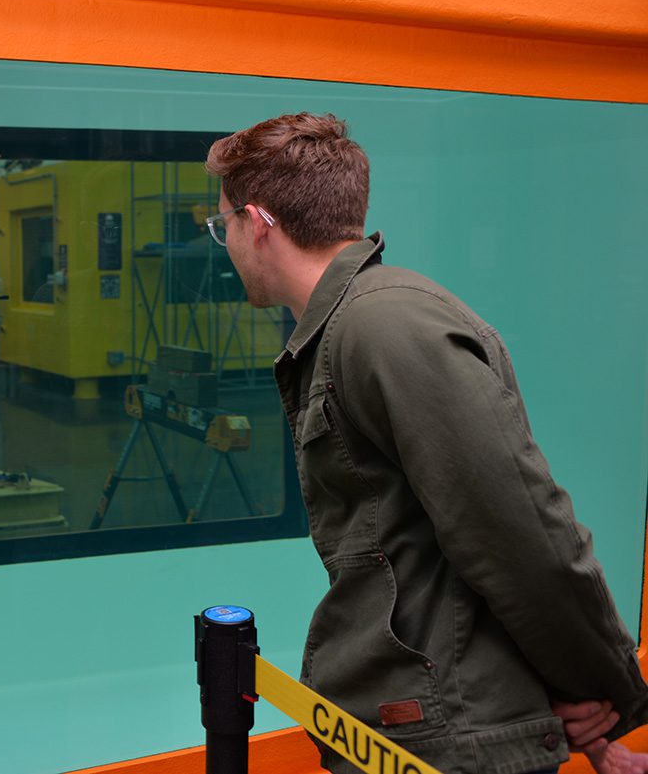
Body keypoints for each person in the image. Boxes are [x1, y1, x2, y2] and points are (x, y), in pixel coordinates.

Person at [205, 113, 648, 774]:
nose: (226, 241)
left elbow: (516, 525)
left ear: (260, 221)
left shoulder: (385, 327)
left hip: (447, 737)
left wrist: (602, 688)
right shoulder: (347, 328)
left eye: (225, 224)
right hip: (416, 726)